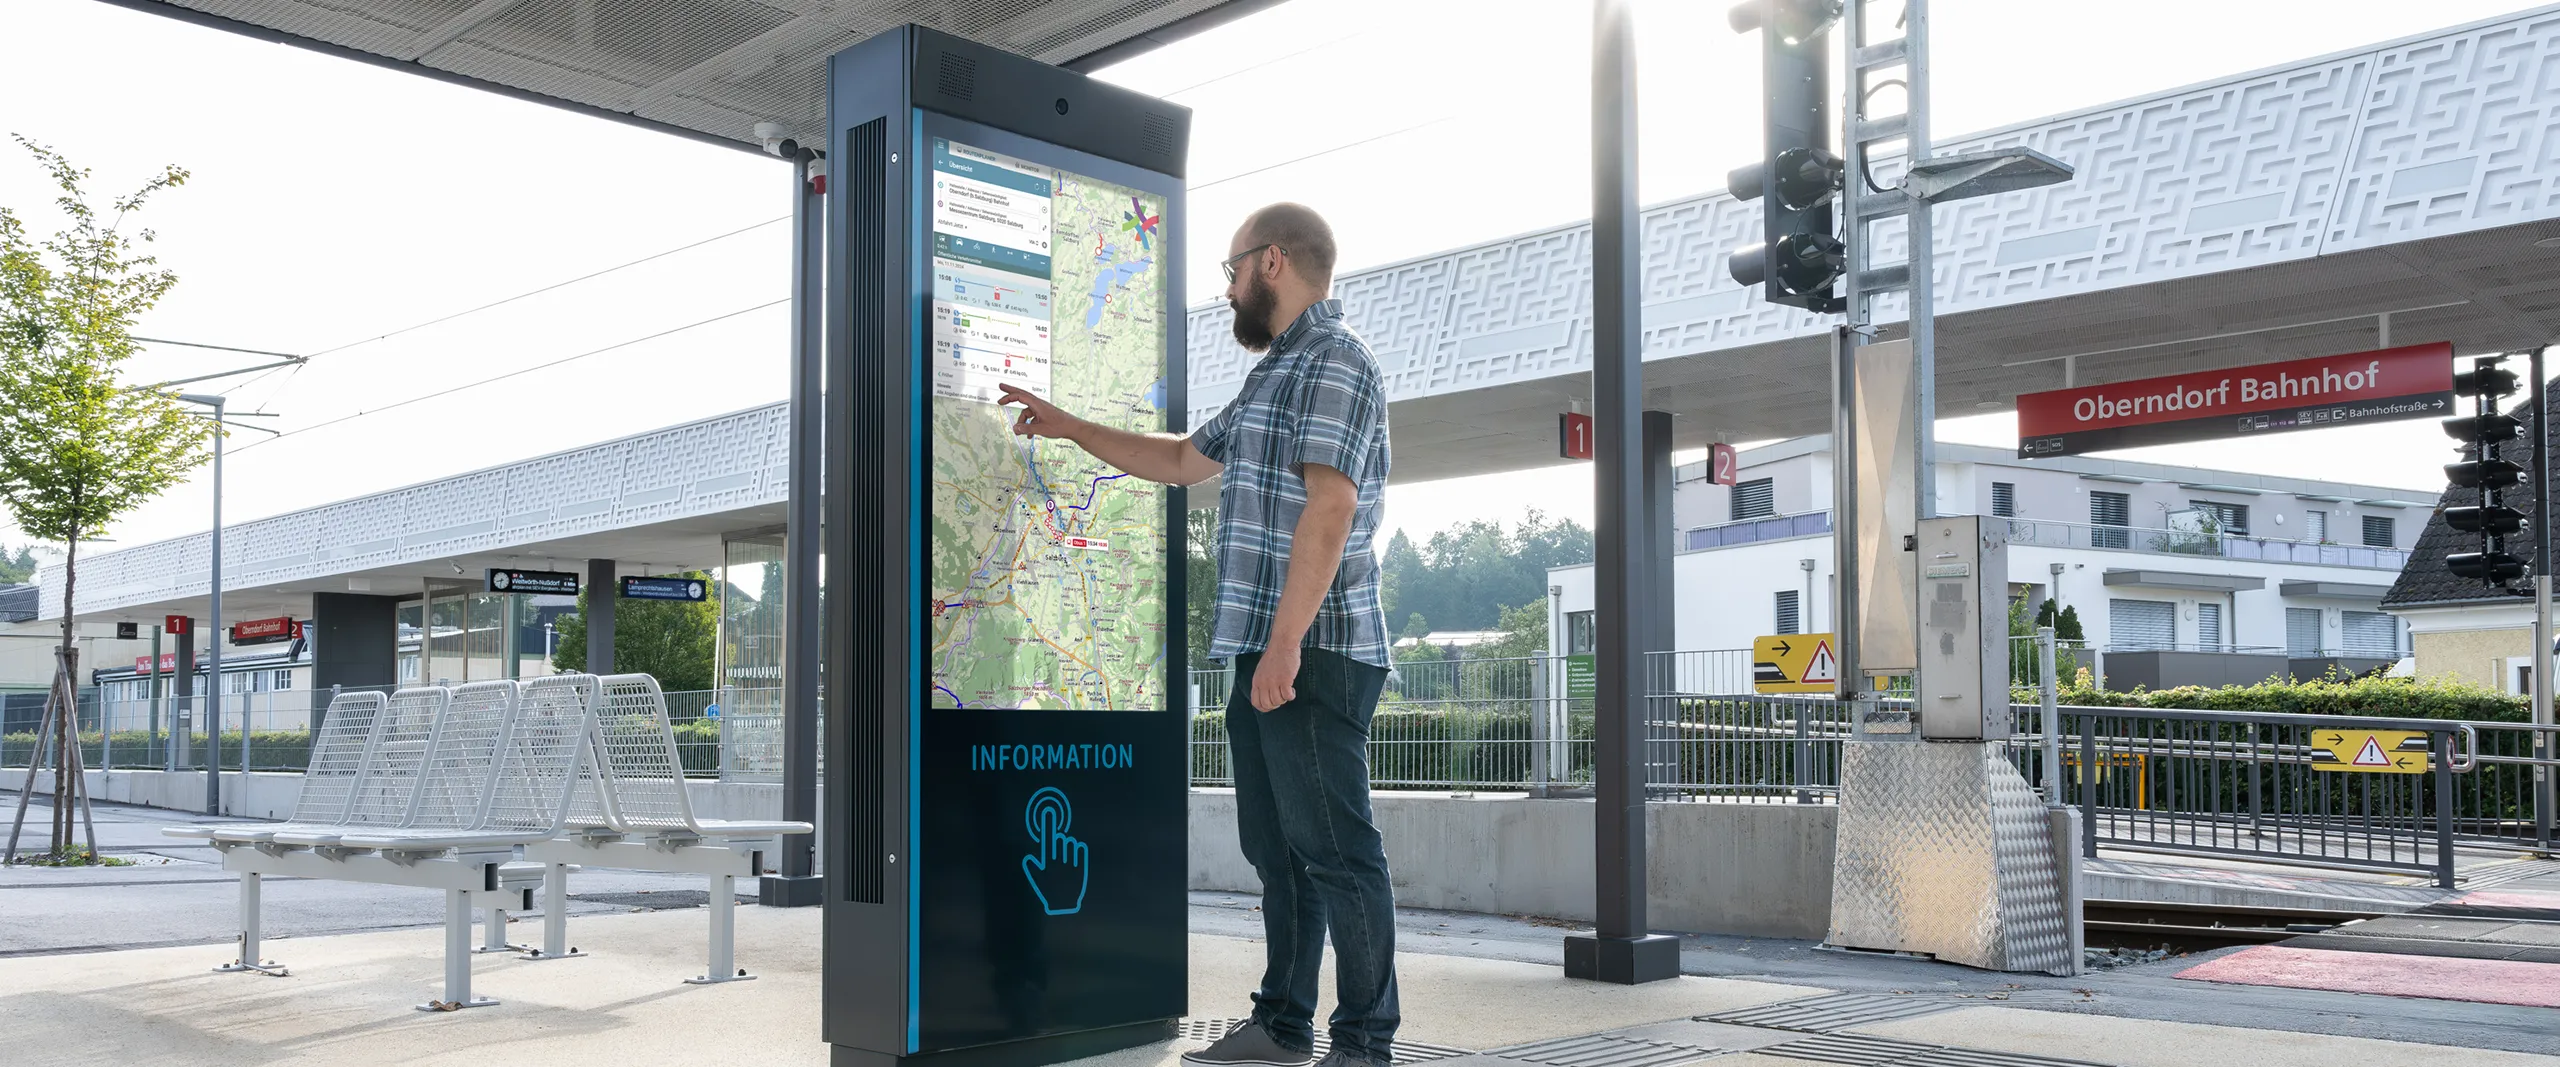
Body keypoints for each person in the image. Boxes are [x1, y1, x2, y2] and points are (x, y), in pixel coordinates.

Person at [998, 202, 1398, 1067]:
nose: (1227, 290)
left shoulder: (1337, 358)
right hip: (1266, 645)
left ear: (1274, 262)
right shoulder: (1274, 373)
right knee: (1279, 850)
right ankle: (1284, 1022)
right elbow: (1182, 457)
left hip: (1314, 647)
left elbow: (1331, 507)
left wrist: (1286, 644)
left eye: (1231, 270)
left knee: (1337, 850)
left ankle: (1365, 1045)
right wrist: (1071, 425)